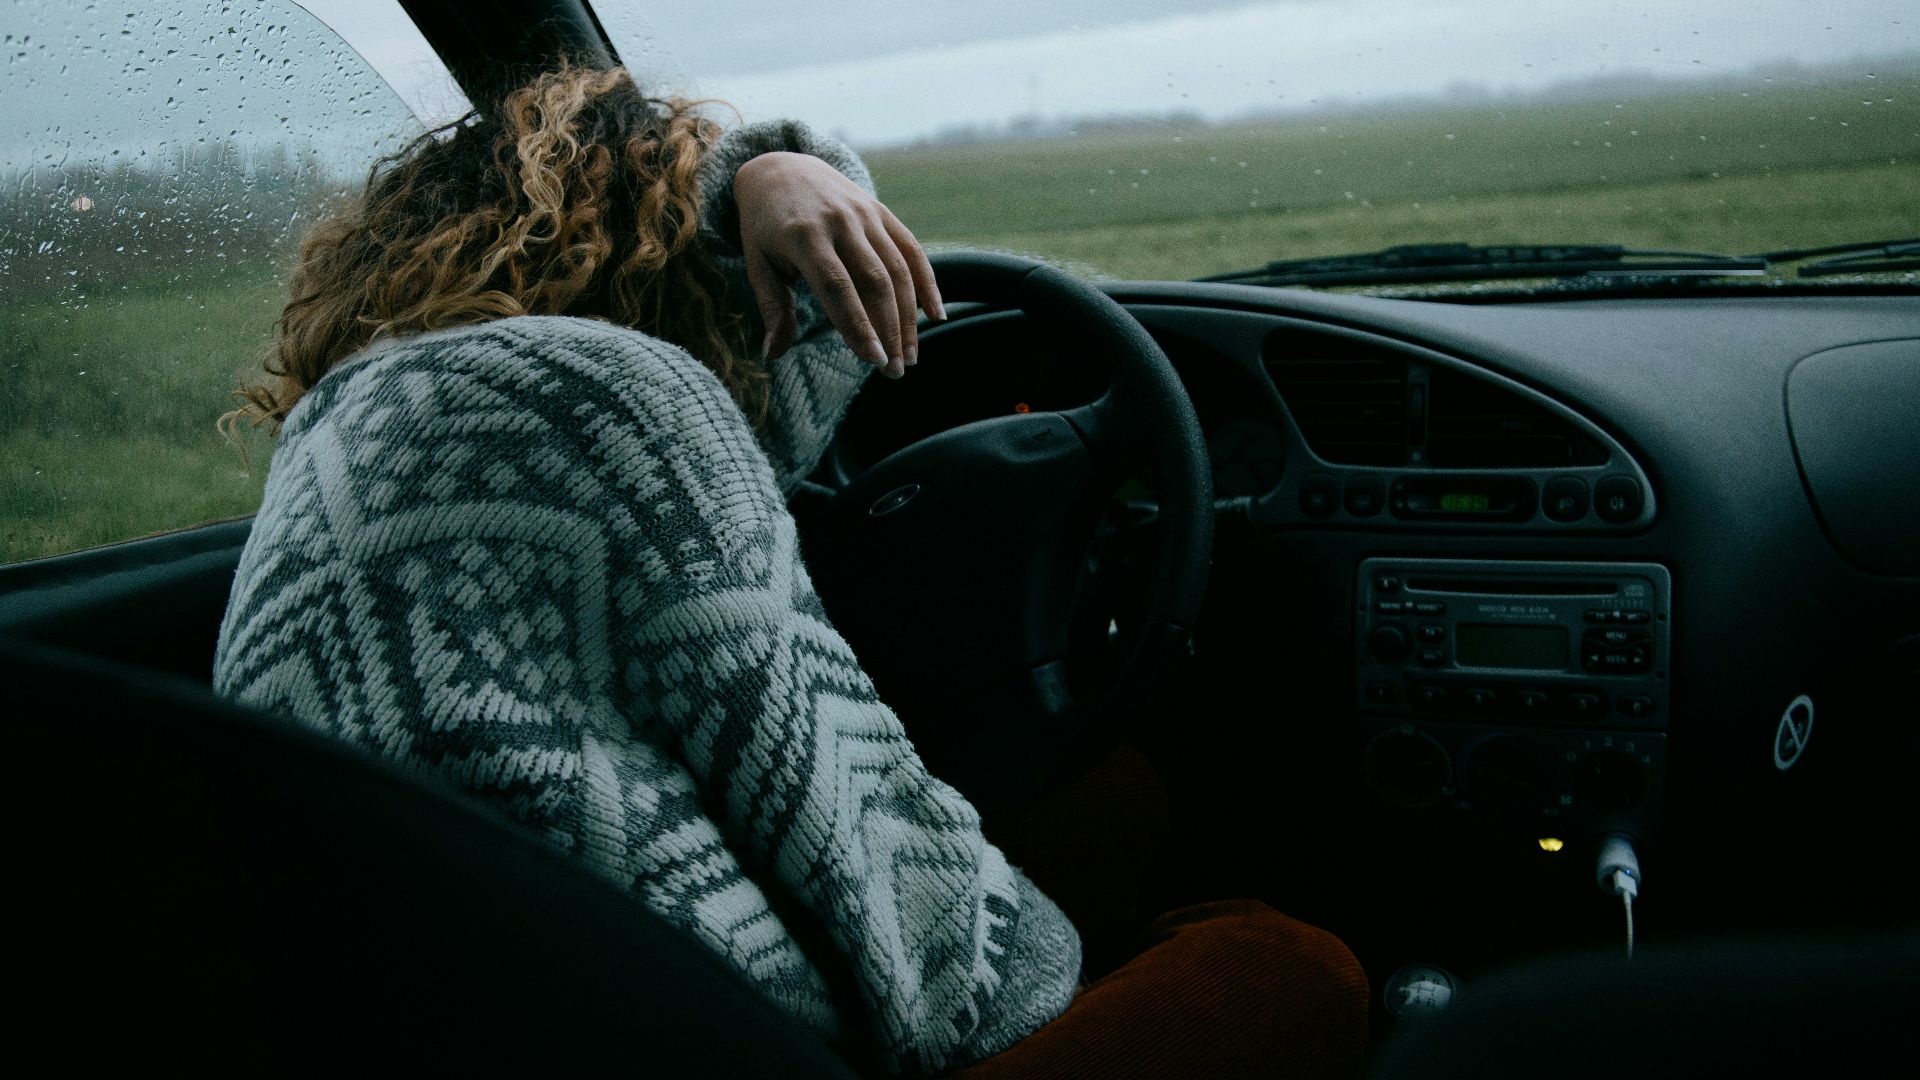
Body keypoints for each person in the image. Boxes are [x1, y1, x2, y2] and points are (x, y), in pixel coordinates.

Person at [214, 65, 1368, 1077]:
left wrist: (762, 171)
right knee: (1285, 963)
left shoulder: (349, 421)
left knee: (1110, 809)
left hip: (446, 1009)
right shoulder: (627, 400)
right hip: (674, 1030)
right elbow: (873, 877)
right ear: (680, 250)